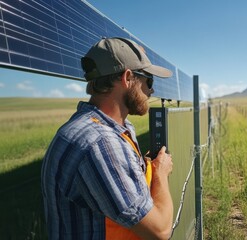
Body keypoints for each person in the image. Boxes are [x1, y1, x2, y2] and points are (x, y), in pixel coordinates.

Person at [41, 37, 174, 239]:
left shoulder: (111, 128)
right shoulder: (101, 143)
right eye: (149, 80)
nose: (151, 90)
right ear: (127, 78)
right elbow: (161, 230)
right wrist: (160, 173)